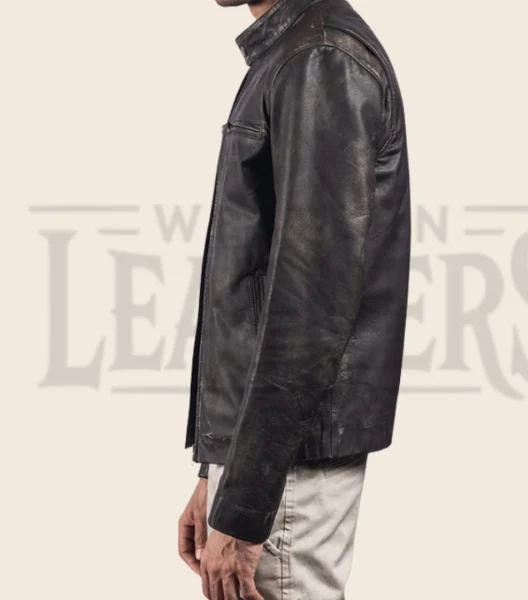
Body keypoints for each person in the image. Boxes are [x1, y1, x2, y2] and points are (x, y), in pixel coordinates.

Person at [178, 0, 411, 598]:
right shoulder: (294, 50)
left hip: (288, 469)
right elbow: (259, 289)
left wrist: (246, 502)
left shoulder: (320, 59)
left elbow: (311, 307)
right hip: (271, 460)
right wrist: (217, 469)